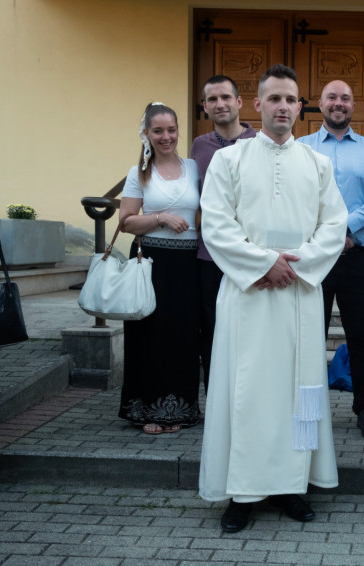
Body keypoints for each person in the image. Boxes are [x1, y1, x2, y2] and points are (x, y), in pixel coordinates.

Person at [198, 64, 348, 533]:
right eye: (274, 98)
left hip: (298, 294)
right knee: (246, 392)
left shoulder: (318, 164)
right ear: (257, 104)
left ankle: (291, 486)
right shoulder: (229, 161)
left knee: (297, 392)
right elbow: (215, 224)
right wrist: (263, 264)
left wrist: (296, 264)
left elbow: (334, 225)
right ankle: (241, 494)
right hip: (248, 295)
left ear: (299, 107)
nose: (283, 107)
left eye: (290, 100)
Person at [297, 80, 364, 440]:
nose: (339, 103)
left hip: (356, 256)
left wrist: (342, 229)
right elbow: (296, 199)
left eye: (345, 98)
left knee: (362, 336)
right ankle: (307, 409)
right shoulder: (301, 148)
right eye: (332, 97)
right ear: (320, 104)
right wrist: (330, 235)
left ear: (353, 105)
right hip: (313, 257)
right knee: (309, 334)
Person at [117, 103, 201, 436]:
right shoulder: (138, 172)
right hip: (149, 261)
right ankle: (147, 410)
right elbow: (125, 222)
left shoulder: (194, 167)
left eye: (171, 130)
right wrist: (160, 218)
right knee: (148, 335)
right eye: (158, 131)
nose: (166, 137)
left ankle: (179, 409)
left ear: (178, 131)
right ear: (147, 134)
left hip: (187, 263)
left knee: (183, 336)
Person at [190, 75, 257, 393]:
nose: (220, 104)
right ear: (204, 107)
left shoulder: (259, 142)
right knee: (212, 328)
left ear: (239, 102)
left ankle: (249, 396)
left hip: (252, 253)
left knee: (250, 328)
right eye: (212, 99)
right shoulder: (199, 146)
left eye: (226, 97)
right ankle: (216, 398)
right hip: (209, 255)